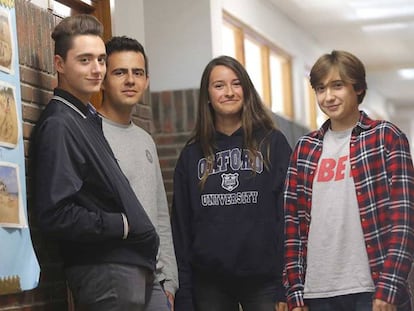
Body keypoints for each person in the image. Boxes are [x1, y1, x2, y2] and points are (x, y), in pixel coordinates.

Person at [31, 15, 159, 311]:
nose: (97, 69)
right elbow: (55, 213)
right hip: (107, 271)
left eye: (101, 60)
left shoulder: (84, 118)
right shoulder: (60, 124)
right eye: (85, 60)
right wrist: (122, 224)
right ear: (60, 64)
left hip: (128, 268)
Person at [283, 50, 414, 311]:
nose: (328, 96)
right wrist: (295, 293)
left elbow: (403, 219)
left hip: (371, 289)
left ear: (358, 88)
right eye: (320, 88)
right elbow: (293, 226)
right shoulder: (305, 148)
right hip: (317, 292)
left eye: (338, 85)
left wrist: (389, 288)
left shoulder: (386, 137)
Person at [171, 55, 291, 311]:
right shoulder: (192, 155)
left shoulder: (273, 144)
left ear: (246, 91)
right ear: (207, 95)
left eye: (236, 84)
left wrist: (287, 283)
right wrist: (184, 293)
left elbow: (289, 218)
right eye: (219, 85)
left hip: (265, 282)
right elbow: (181, 229)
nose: (228, 92)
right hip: (209, 285)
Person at [98, 35, 178, 310]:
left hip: (154, 280)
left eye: (138, 73)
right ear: (104, 79)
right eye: (120, 72)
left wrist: (170, 279)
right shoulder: (89, 133)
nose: (130, 80)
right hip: (114, 274)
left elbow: (159, 214)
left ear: (146, 80)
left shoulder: (146, 140)